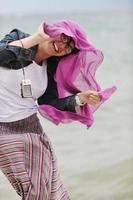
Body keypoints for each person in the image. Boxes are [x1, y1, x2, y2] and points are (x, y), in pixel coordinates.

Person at [0, 20, 116, 200]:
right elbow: (1, 54)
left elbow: (50, 102)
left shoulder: (50, 66)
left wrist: (80, 98)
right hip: (5, 133)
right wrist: (37, 38)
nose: (63, 46)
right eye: (64, 38)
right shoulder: (19, 38)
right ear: (54, 30)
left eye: (69, 47)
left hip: (33, 130)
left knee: (51, 187)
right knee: (33, 192)